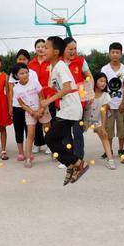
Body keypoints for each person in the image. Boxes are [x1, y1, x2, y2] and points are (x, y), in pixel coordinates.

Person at [42, 36, 89, 185]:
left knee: (50, 138)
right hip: (66, 109)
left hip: (71, 108)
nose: (43, 50)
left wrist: (48, 101)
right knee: (53, 139)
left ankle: (77, 163)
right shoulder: (54, 67)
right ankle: (71, 165)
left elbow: (68, 88)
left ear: (56, 52)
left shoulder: (61, 66)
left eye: (47, 47)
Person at [13, 63, 50, 168]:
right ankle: (28, 158)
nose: (25, 75)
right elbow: (22, 104)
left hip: (42, 108)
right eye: (22, 73)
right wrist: (32, 112)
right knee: (30, 134)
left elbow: (41, 97)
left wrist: (41, 110)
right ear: (16, 76)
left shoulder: (34, 82)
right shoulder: (16, 88)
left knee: (48, 131)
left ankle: (54, 152)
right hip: (30, 112)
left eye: (26, 72)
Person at [8, 49, 40, 162]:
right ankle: (21, 152)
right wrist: (10, 106)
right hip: (17, 106)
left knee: (29, 130)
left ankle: (28, 152)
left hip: (31, 107)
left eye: (24, 59)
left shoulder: (33, 73)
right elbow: (11, 91)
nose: (22, 60)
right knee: (18, 129)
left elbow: (37, 90)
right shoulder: (13, 74)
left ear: (28, 60)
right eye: (20, 59)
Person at [64, 37, 93, 161]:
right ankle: (68, 157)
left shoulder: (81, 61)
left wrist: (89, 93)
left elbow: (89, 77)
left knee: (77, 130)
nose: (73, 51)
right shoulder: (58, 62)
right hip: (63, 102)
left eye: (75, 48)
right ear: (63, 49)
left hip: (78, 101)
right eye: (70, 49)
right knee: (65, 132)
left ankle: (78, 157)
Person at [101, 42, 124, 159]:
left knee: (122, 129)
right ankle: (109, 149)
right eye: (113, 52)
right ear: (109, 54)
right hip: (109, 105)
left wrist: (123, 103)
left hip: (121, 105)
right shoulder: (105, 69)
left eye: (117, 52)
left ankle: (121, 149)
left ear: (121, 54)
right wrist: (105, 103)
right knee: (109, 129)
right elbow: (102, 87)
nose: (115, 54)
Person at [84, 72, 116, 169]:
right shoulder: (88, 93)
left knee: (104, 136)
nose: (103, 83)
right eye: (101, 81)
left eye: (105, 82)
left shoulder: (105, 95)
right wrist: (86, 102)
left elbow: (103, 111)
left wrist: (103, 127)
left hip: (97, 120)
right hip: (85, 120)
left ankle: (110, 160)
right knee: (77, 136)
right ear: (95, 81)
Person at [28, 39, 53, 155]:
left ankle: (49, 143)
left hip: (49, 95)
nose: (41, 48)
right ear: (35, 48)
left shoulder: (50, 62)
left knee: (47, 121)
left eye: (43, 46)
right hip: (33, 95)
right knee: (35, 120)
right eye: (38, 46)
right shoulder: (30, 64)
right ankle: (37, 144)